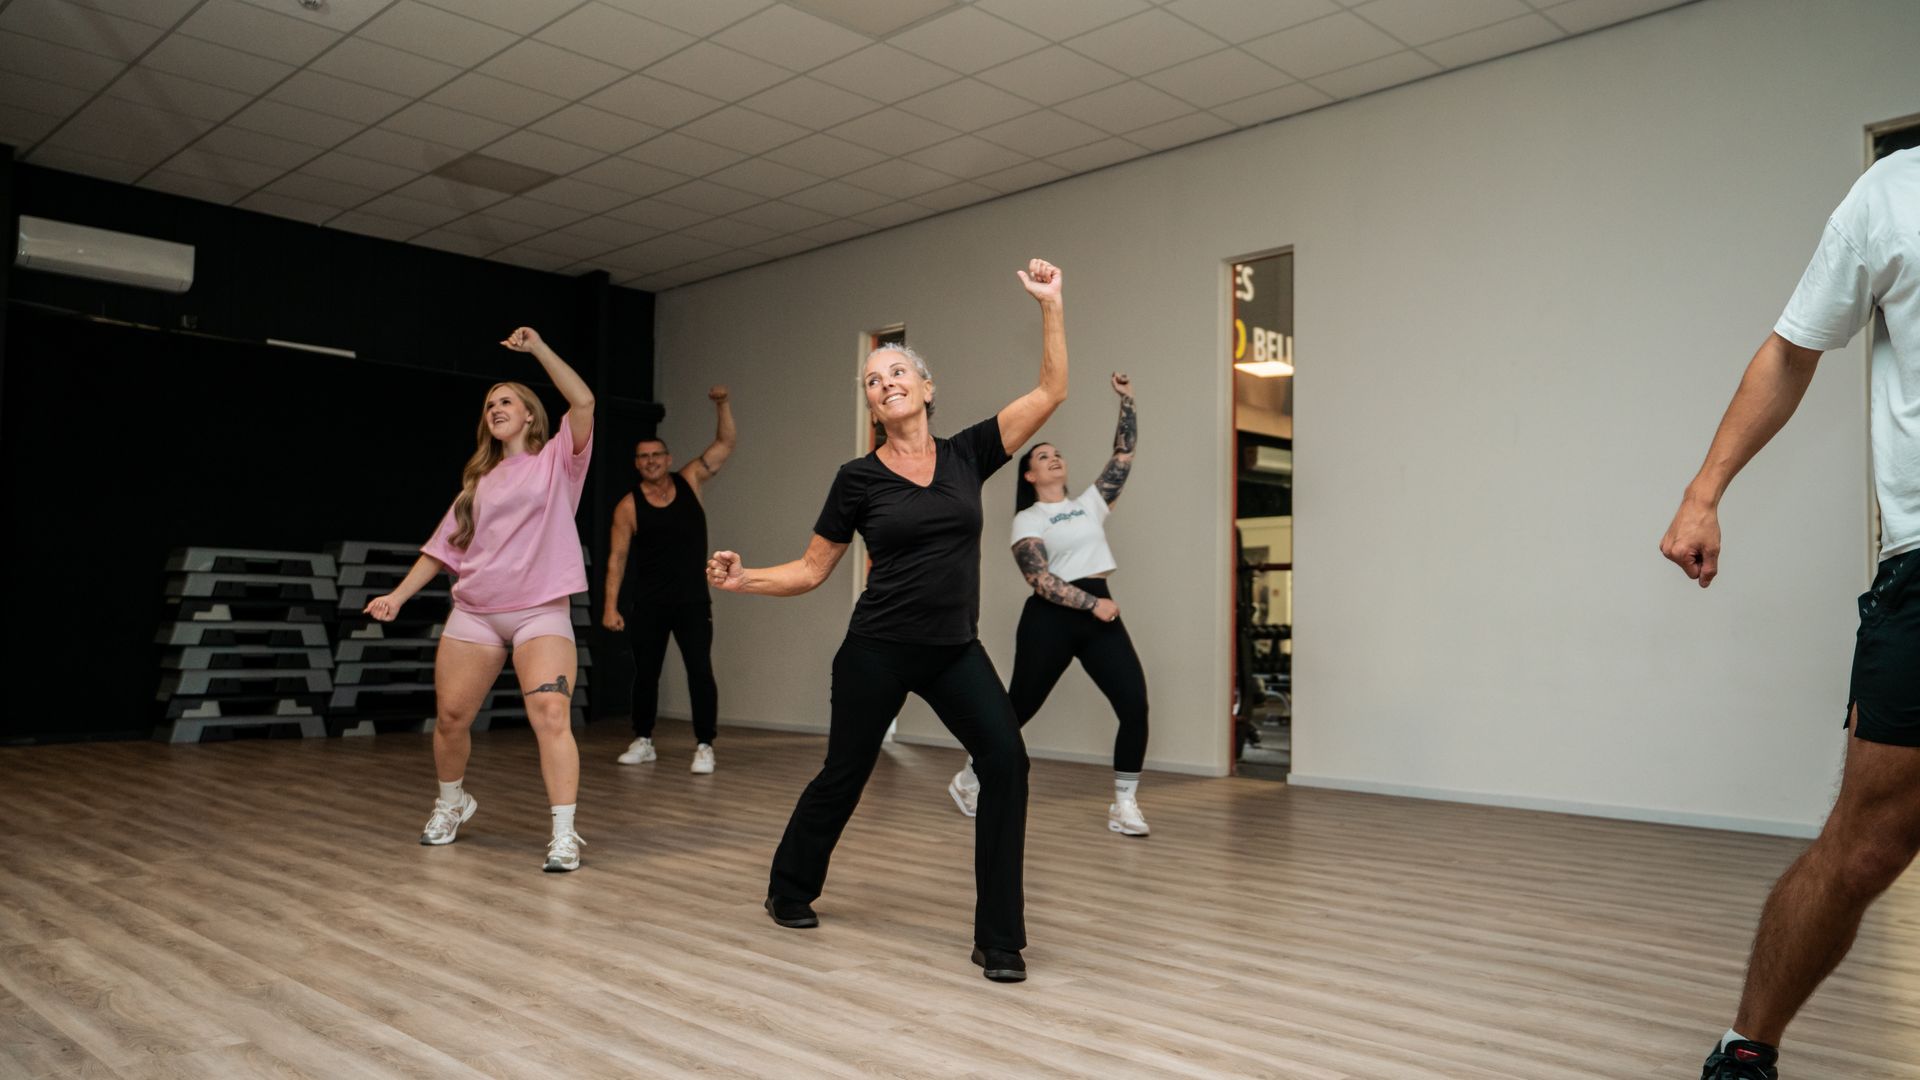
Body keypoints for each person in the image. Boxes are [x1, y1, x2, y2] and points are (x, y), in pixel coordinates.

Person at [707, 258, 1069, 983]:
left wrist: (1051, 305)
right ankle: (789, 885)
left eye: (899, 370)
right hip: (876, 649)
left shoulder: (970, 453)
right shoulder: (858, 480)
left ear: (926, 390)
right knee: (846, 772)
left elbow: (1052, 389)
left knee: (1007, 760)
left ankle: (1000, 938)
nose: (887, 381)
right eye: (874, 379)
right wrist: (745, 578)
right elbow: (813, 570)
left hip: (953, 651)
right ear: (873, 406)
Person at [1660, 147, 1920, 1079]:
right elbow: (1793, 347)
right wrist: (1705, 489)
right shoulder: (1892, 193)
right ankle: (1745, 1050)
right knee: (1867, 842)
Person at [364, 327, 594, 872]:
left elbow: (583, 400)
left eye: (506, 401)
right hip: (475, 613)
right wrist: (396, 596)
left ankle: (564, 832)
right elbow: (441, 551)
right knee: (450, 718)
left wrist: (537, 349)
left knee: (550, 713)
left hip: (540, 611)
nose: (496, 408)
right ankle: (452, 805)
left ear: (531, 416)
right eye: (490, 404)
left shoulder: (560, 460)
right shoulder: (478, 483)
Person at [948, 372, 1148, 836]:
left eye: (1057, 454)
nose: (1053, 458)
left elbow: (1123, 455)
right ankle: (968, 777)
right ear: (1030, 474)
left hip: (1100, 610)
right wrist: (1090, 605)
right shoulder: (1028, 519)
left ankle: (1125, 804)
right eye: (1043, 456)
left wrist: (1128, 401)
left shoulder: (1090, 505)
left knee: (1135, 704)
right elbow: (1039, 579)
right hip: (1051, 621)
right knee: (1017, 709)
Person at [603, 386, 736, 774]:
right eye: (643, 457)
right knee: (646, 674)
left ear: (668, 458)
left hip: (693, 601)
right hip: (649, 603)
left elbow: (726, 442)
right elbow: (617, 558)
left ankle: (705, 745)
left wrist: (721, 404)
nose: (650, 462)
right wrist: (610, 606)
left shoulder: (691, 479)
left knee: (700, 670)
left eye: (656, 455)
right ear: (637, 463)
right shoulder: (629, 506)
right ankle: (643, 739)